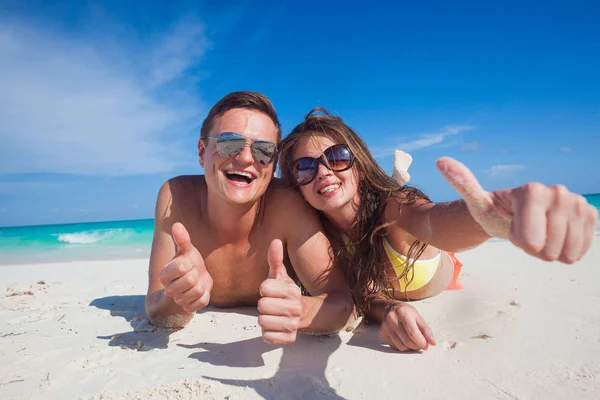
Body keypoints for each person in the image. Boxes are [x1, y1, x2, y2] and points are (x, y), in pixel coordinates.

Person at [278, 107, 598, 352]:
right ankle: (393, 174)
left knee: (396, 200)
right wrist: (387, 308)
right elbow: (359, 298)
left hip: (439, 259)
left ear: (358, 162)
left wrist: (491, 216)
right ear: (298, 186)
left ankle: (394, 178)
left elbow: (433, 221)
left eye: (335, 157)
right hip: (378, 268)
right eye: (305, 167)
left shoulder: (396, 207)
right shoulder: (316, 239)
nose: (322, 172)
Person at [145, 93, 355, 345]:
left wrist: (300, 310)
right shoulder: (175, 198)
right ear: (202, 151)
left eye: (263, 150)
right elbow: (155, 308)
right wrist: (179, 297)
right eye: (229, 143)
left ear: (274, 163)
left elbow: (343, 302)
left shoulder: (288, 206)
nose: (246, 158)